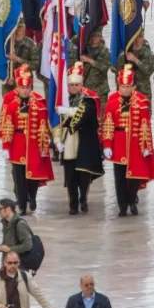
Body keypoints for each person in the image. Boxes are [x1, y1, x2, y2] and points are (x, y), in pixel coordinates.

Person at [102, 64, 154, 216]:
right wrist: (107, 144)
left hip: (135, 144)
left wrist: (146, 145)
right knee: (119, 178)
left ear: (133, 86)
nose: (125, 89)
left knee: (135, 176)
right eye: (123, 86)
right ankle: (122, 206)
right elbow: (108, 123)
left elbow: (145, 125)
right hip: (119, 143)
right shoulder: (113, 101)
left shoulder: (142, 102)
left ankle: (132, 199)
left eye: (128, 86)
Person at [0, 65, 54, 213]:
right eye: (22, 88)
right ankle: (22, 204)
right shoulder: (11, 105)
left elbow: (43, 125)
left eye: (28, 87)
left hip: (34, 143)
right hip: (17, 143)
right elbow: (7, 125)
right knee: (19, 177)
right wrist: (5, 145)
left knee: (33, 174)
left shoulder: (39, 104)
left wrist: (45, 142)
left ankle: (33, 197)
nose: (25, 90)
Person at [54, 63, 105, 214]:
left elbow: (84, 114)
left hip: (85, 142)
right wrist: (57, 140)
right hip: (68, 141)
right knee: (70, 177)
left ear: (82, 84)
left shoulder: (89, 99)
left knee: (84, 174)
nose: (74, 87)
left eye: (77, 84)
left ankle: (83, 198)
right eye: (71, 85)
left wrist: (68, 111)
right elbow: (57, 123)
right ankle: (73, 204)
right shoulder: (62, 100)